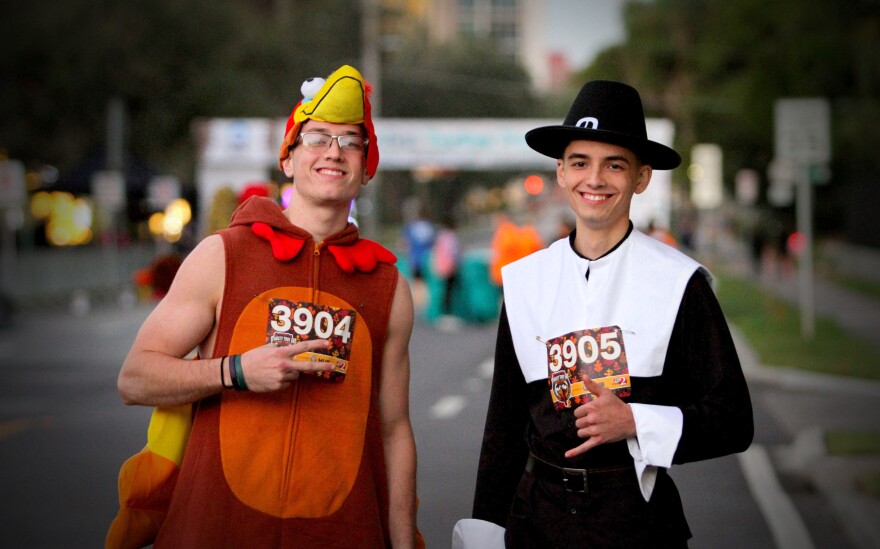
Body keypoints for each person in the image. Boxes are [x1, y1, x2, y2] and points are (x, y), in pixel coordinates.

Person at [111, 65, 421, 548]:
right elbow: (135, 379)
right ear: (289, 159)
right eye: (316, 137)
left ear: (366, 166)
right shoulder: (223, 255)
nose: (334, 152)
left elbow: (395, 431)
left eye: (351, 141)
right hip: (214, 531)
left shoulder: (388, 288)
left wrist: (404, 543)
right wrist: (235, 371)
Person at [470, 80, 753, 547]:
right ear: (561, 172)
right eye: (580, 163)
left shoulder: (680, 283)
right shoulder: (525, 281)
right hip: (537, 520)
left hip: (637, 524)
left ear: (641, 178)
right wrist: (484, 530)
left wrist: (636, 423)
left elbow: (733, 421)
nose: (595, 180)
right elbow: (502, 428)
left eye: (614, 165)